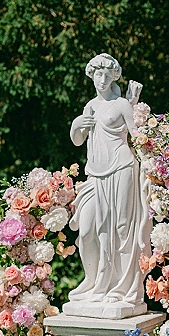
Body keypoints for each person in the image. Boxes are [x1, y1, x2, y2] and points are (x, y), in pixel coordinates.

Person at [65, 53, 151, 318]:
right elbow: (78, 140)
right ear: (92, 77)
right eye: (97, 75)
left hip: (122, 168)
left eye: (106, 75)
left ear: (114, 76)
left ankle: (120, 287)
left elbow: (137, 137)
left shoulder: (122, 104)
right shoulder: (90, 106)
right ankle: (95, 282)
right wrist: (75, 126)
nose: (101, 80)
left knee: (123, 227)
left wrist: (155, 163)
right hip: (95, 174)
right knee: (88, 228)